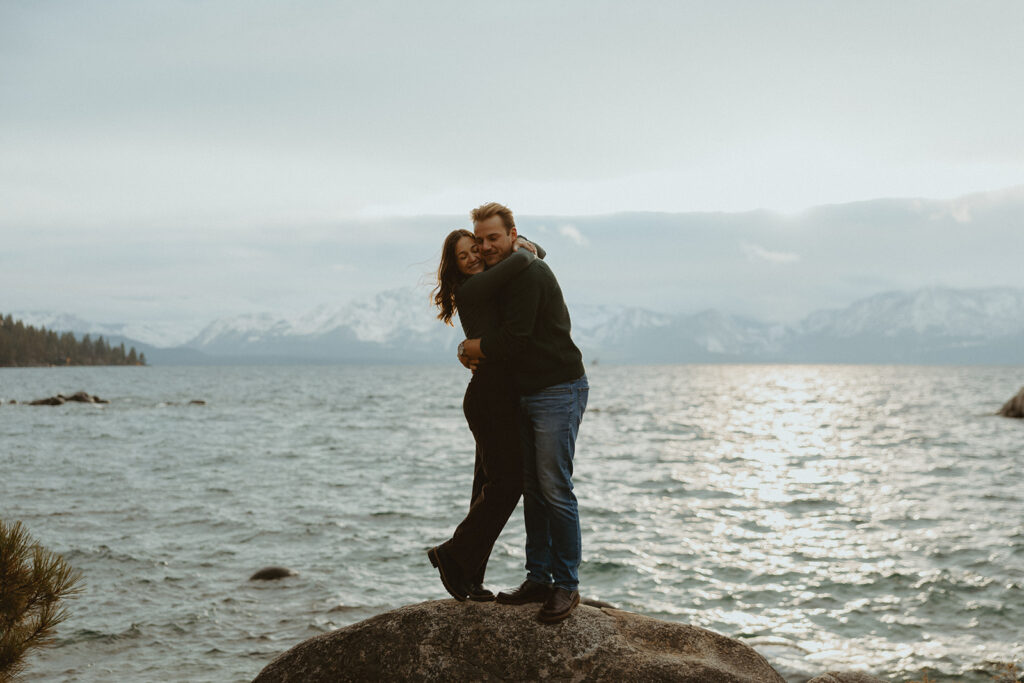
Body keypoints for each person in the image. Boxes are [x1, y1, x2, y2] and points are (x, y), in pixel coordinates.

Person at [459, 202, 588, 624]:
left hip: (557, 389)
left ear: (513, 234)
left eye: (493, 237)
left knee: (554, 486)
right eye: (480, 240)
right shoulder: (510, 271)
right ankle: (539, 578)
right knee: (533, 488)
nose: (485, 246)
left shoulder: (528, 272)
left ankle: (566, 585)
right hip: (526, 393)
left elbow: (514, 339)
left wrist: (471, 348)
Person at [428, 228, 545, 601]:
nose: (474, 257)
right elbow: (529, 258)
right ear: (456, 268)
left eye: (475, 249)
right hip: (489, 399)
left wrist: (525, 242)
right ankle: (453, 556)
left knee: (485, 487)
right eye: (464, 256)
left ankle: (469, 577)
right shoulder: (473, 289)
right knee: (510, 483)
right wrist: (522, 245)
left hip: (498, 396)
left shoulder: (488, 282)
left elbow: (537, 252)